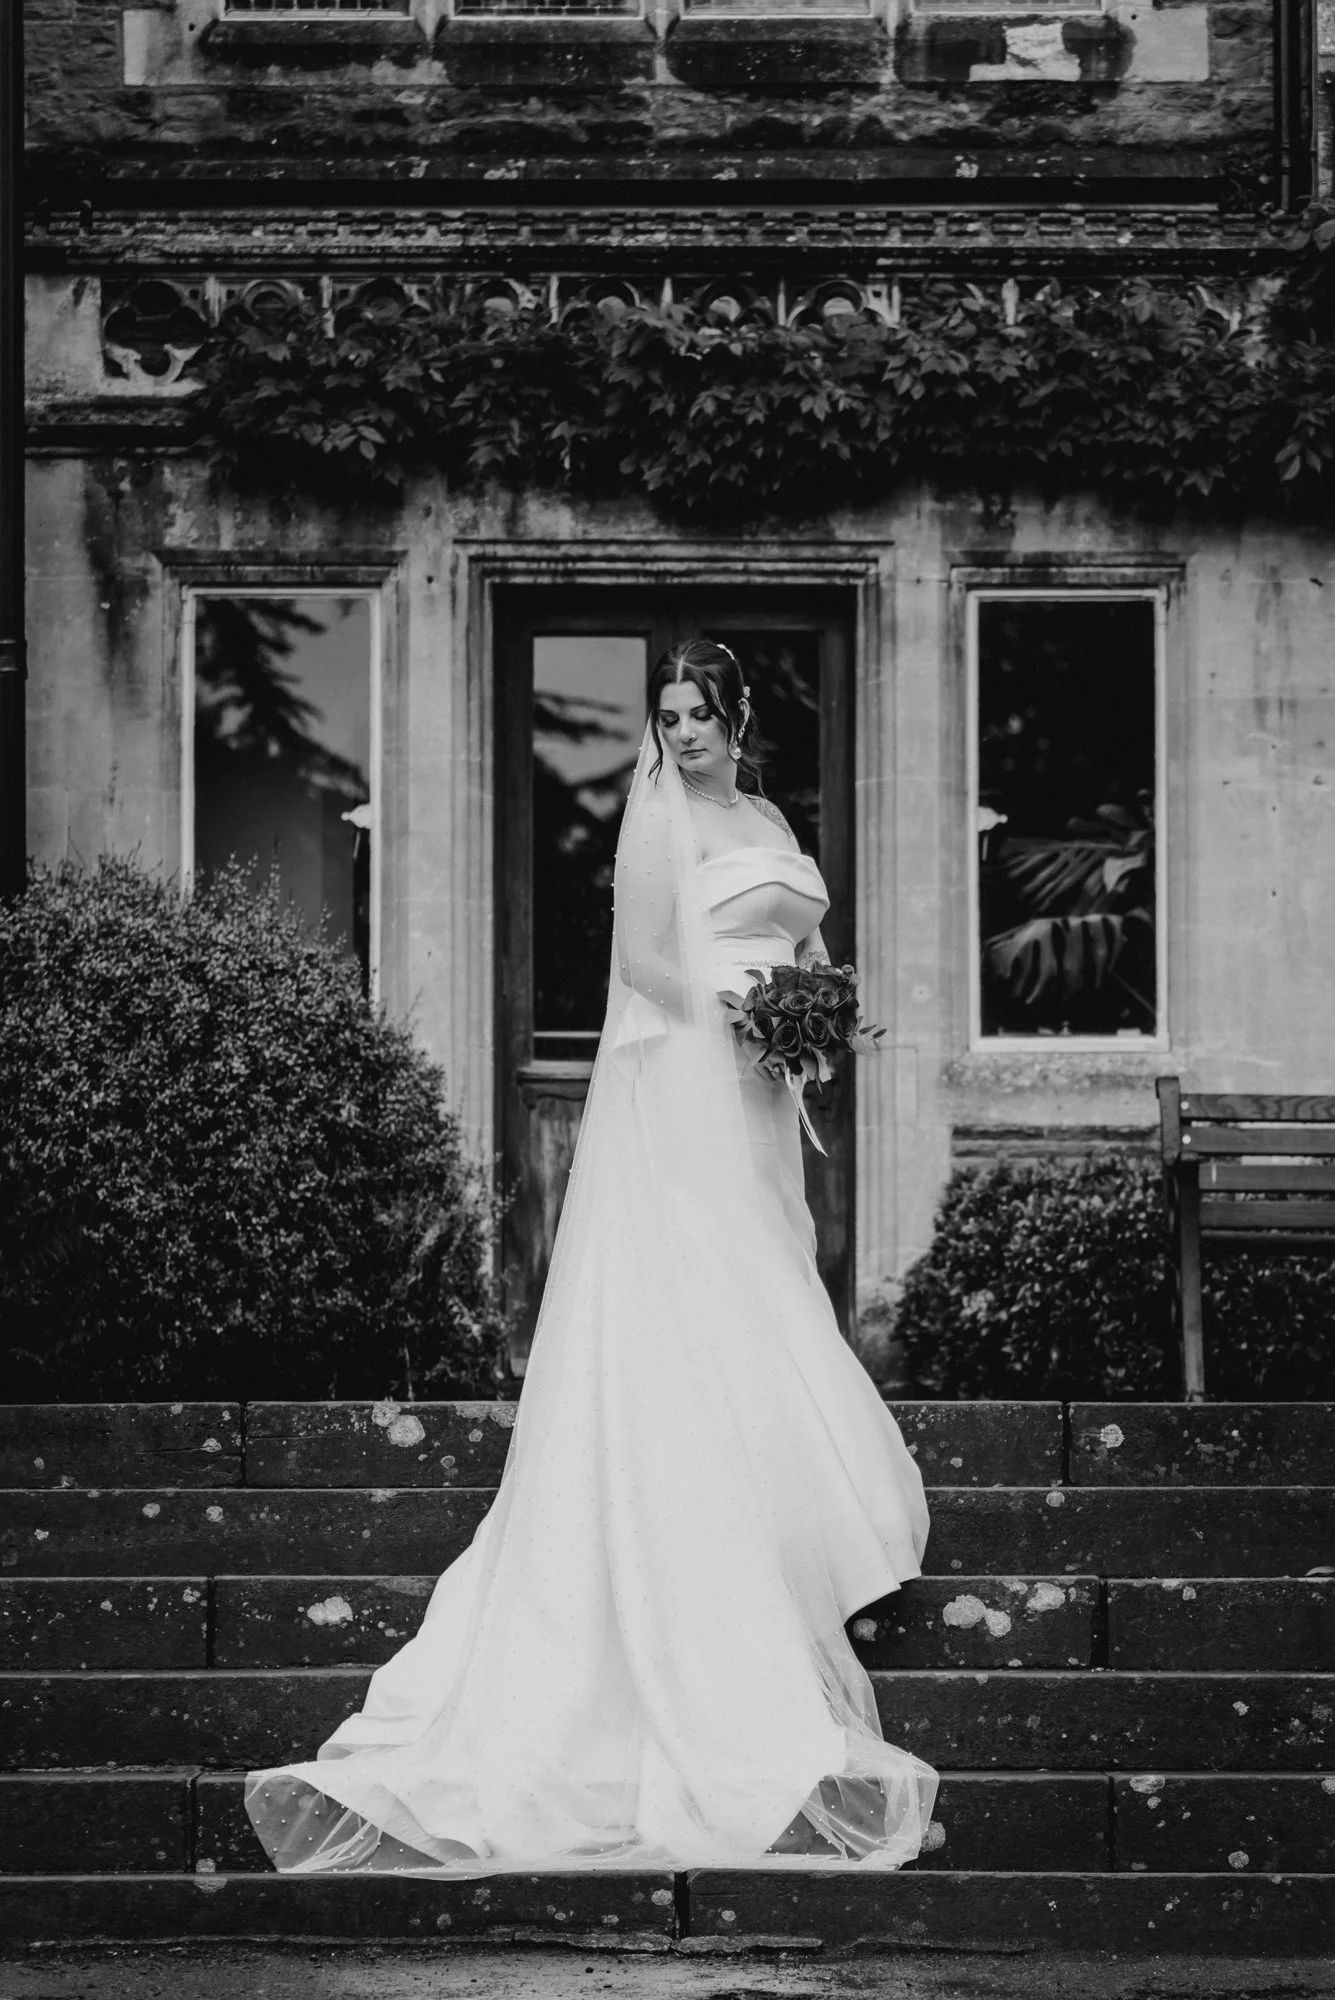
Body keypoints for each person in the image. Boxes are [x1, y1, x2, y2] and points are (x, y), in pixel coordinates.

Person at [246, 637, 938, 1874]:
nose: (677, 733)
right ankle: (724, 1547)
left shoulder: (770, 812)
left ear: (734, 712)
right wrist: (749, 1012)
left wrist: (815, 1014)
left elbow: (812, 946)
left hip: (770, 1088)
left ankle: (798, 1526)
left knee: (775, 1277)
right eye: (664, 714)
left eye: (694, 712)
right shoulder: (657, 814)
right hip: (694, 1075)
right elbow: (647, 963)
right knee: (713, 1288)